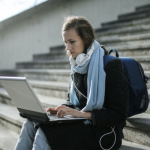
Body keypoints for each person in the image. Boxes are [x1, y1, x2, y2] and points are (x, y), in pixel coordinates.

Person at [14, 16, 129, 150]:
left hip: (103, 131)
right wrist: (58, 109)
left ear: (85, 40)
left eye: (72, 41)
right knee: (30, 124)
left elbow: (119, 115)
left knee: (45, 132)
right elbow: (73, 102)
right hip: (80, 122)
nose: (68, 48)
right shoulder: (77, 65)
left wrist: (81, 114)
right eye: (65, 42)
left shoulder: (111, 65)